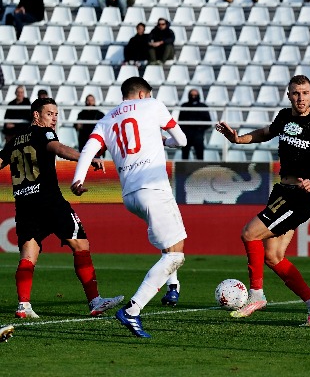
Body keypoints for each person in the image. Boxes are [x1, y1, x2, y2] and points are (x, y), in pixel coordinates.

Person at [214, 75, 310, 326]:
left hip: (299, 197)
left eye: (305, 93)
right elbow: (266, 132)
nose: (301, 98)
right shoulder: (284, 117)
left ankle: (256, 296)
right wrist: (239, 139)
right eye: (296, 93)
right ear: (289, 95)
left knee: (249, 234)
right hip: (282, 193)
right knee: (273, 257)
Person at [71, 77, 188, 338]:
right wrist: (162, 141)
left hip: (130, 196)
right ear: (144, 93)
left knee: (172, 247)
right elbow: (181, 140)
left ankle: (172, 286)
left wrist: (78, 179)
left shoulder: (107, 119)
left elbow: (89, 149)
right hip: (154, 188)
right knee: (175, 255)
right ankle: (132, 311)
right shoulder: (153, 105)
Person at [0, 98, 124, 320]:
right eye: (50, 114)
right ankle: (95, 302)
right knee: (80, 244)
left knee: (29, 254)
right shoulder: (44, 133)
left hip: (25, 204)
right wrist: (85, 158)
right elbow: (58, 148)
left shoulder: (15, 140)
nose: (54, 118)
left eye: (56, 114)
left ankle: (23, 305)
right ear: (36, 115)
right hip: (49, 201)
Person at [178, 89, 212, 160]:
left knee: (199, 153)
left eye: (195, 95)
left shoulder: (203, 107)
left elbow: (208, 122)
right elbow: (180, 121)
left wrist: (201, 129)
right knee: (185, 152)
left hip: (198, 133)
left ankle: (200, 169)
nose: (193, 97)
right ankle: (183, 169)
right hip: (187, 133)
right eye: (192, 95)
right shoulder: (184, 106)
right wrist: (185, 129)